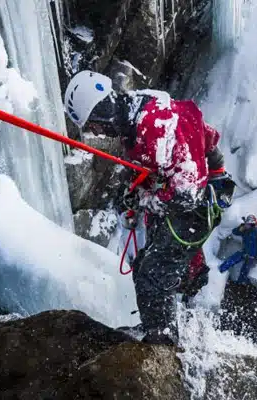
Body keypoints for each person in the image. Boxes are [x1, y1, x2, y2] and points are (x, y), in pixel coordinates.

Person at [64, 71, 234, 346]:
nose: (95, 132)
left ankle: (162, 341)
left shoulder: (153, 123)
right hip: (185, 199)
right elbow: (185, 140)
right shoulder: (137, 111)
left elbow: (186, 193)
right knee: (148, 266)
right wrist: (135, 191)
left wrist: (145, 200)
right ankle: (163, 325)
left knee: (153, 273)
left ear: (101, 110)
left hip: (194, 206)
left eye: (93, 125)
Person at [218, 215, 257, 283]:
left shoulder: (256, 232)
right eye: (247, 223)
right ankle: (220, 270)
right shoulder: (245, 230)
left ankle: (240, 283)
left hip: (251, 255)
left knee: (244, 270)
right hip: (245, 251)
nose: (247, 225)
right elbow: (235, 232)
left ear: (252, 224)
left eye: (249, 224)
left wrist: (252, 254)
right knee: (233, 259)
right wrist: (240, 227)